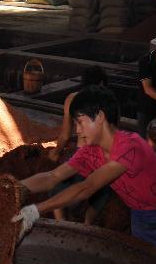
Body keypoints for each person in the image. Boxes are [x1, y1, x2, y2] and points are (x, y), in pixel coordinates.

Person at [11, 86, 156, 264]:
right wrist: (13, 187)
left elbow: (87, 187)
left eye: (80, 122)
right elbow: (52, 176)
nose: (77, 131)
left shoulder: (130, 145)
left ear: (100, 117)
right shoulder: (90, 152)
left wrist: (36, 210)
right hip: (141, 221)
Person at [48, 66, 114, 224]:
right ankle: (87, 222)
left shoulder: (72, 99)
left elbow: (64, 135)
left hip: (81, 153)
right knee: (105, 189)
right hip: (100, 155)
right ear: (100, 83)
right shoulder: (106, 102)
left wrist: (56, 152)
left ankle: (61, 221)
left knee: (55, 184)